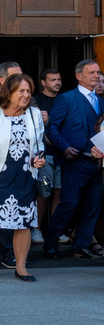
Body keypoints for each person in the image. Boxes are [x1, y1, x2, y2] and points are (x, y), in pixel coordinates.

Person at [0, 74, 45, 281]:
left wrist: (39, 159)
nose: (26, 95)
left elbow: (38, 144)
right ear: (8, 93)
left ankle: (21, 267)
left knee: (23, 222)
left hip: (24, 175)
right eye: (21, 91)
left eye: (28, 91)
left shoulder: (34, 115)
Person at [43, 59, 104, 260]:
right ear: (79, 76)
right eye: (92, 72)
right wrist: (65, 147)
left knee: (92, 205)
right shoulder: (67, 99)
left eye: (98, 72)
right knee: (69, 202)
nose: (97, 75)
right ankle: (51, 242)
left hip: (98, 164)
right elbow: (52, 128)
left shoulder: (101, 101)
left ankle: (81, 245)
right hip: (75, 160)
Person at [32, 68, 63, 244]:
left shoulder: (64, 99)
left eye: (59, 79)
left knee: (60, 192)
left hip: (63, 154)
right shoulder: (37, 101)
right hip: (45, 154)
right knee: (43, 192)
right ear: (43, 82)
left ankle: (55, 231)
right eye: (53, 80)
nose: (57, 82)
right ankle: (36, 229)